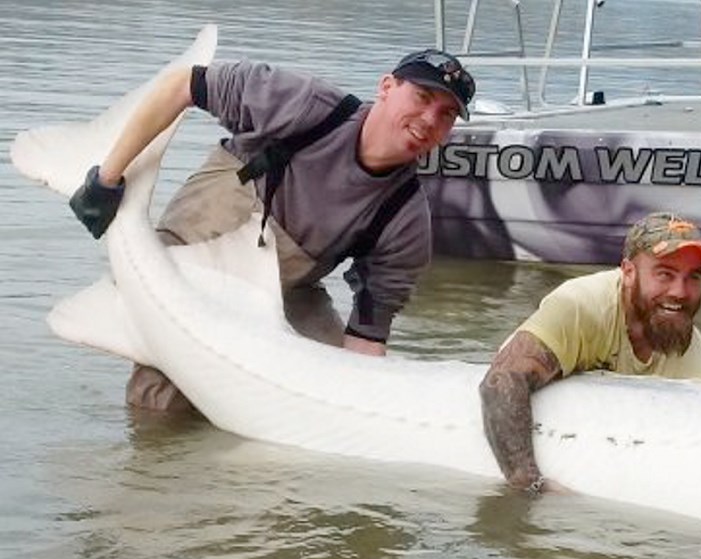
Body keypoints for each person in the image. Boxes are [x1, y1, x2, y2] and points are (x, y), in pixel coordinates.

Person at [68, 48, 475, 411]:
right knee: (166, 409)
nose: (428, 120)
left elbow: (367, 337)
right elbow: (184, 84)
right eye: (422, 98)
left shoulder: (406, 219)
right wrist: (107, 178)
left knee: (332, 390)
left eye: (446, 115)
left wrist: (355, 408)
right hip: (199, 245)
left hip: (282, 287)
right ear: (387, 86)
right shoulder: (305, 104)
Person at [479, 212, 701, 492]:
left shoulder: (684, 340)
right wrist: (529, 485)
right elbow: (499, 383)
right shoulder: (581, 305)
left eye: (693, 277)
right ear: (629, 272)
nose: (680, 292)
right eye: (665, 274)